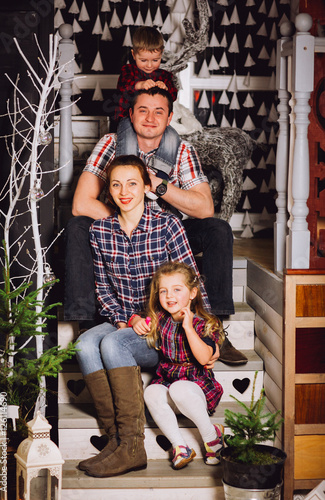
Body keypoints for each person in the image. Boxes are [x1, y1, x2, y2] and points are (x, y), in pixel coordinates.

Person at [65, 86, 247, 365]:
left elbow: (204, 207)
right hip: (119, 231)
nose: (150, 117)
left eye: (158, 112)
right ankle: (85, 323)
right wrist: (125, 218)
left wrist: (159, 184)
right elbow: (80, 203)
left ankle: (214, 329)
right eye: (143, 110)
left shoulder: (182, 150)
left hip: (167, 230)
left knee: (218, 229)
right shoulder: (110, 143)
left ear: (169, 117)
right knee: (78, 225)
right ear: (130, 114)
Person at [76, 155, 216, 478]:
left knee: (112, 345)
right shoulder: (100, 231)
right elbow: (103, 291)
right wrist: (126, 319)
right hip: (125, 321)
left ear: (145, 187)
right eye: (116, 185)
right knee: (84, 345)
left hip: (163, 331)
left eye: (132, 184)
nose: (124, 191)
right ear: (108, 191)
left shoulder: (167, 225)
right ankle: (116, 440)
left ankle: (133, 445)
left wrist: (208, 333)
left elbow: (191, 279)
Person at [144, 262, 224, 470]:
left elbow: (204, 357)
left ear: (192, 293)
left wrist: (188, 327)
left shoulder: (203, 323)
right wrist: (136, 321)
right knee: (151, 392)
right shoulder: (160, 319)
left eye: (177, 289)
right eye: (163, 291)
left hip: (195, 389)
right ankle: (180, 446)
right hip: (169, 383)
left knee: (180, 388)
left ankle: (212, 438)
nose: (169, 296)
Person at [113, 26, 177, 127]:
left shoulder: (164, 76)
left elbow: (173, 96)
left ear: (161, 54)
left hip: (155, 120)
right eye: (143, 60)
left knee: (171, 138)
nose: (149, 65)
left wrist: (166, 89)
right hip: (127, 119)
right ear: (134, 55)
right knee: (129, 139)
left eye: (155, 60)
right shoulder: (128, 71)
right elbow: (123, 88)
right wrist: (139, 85)